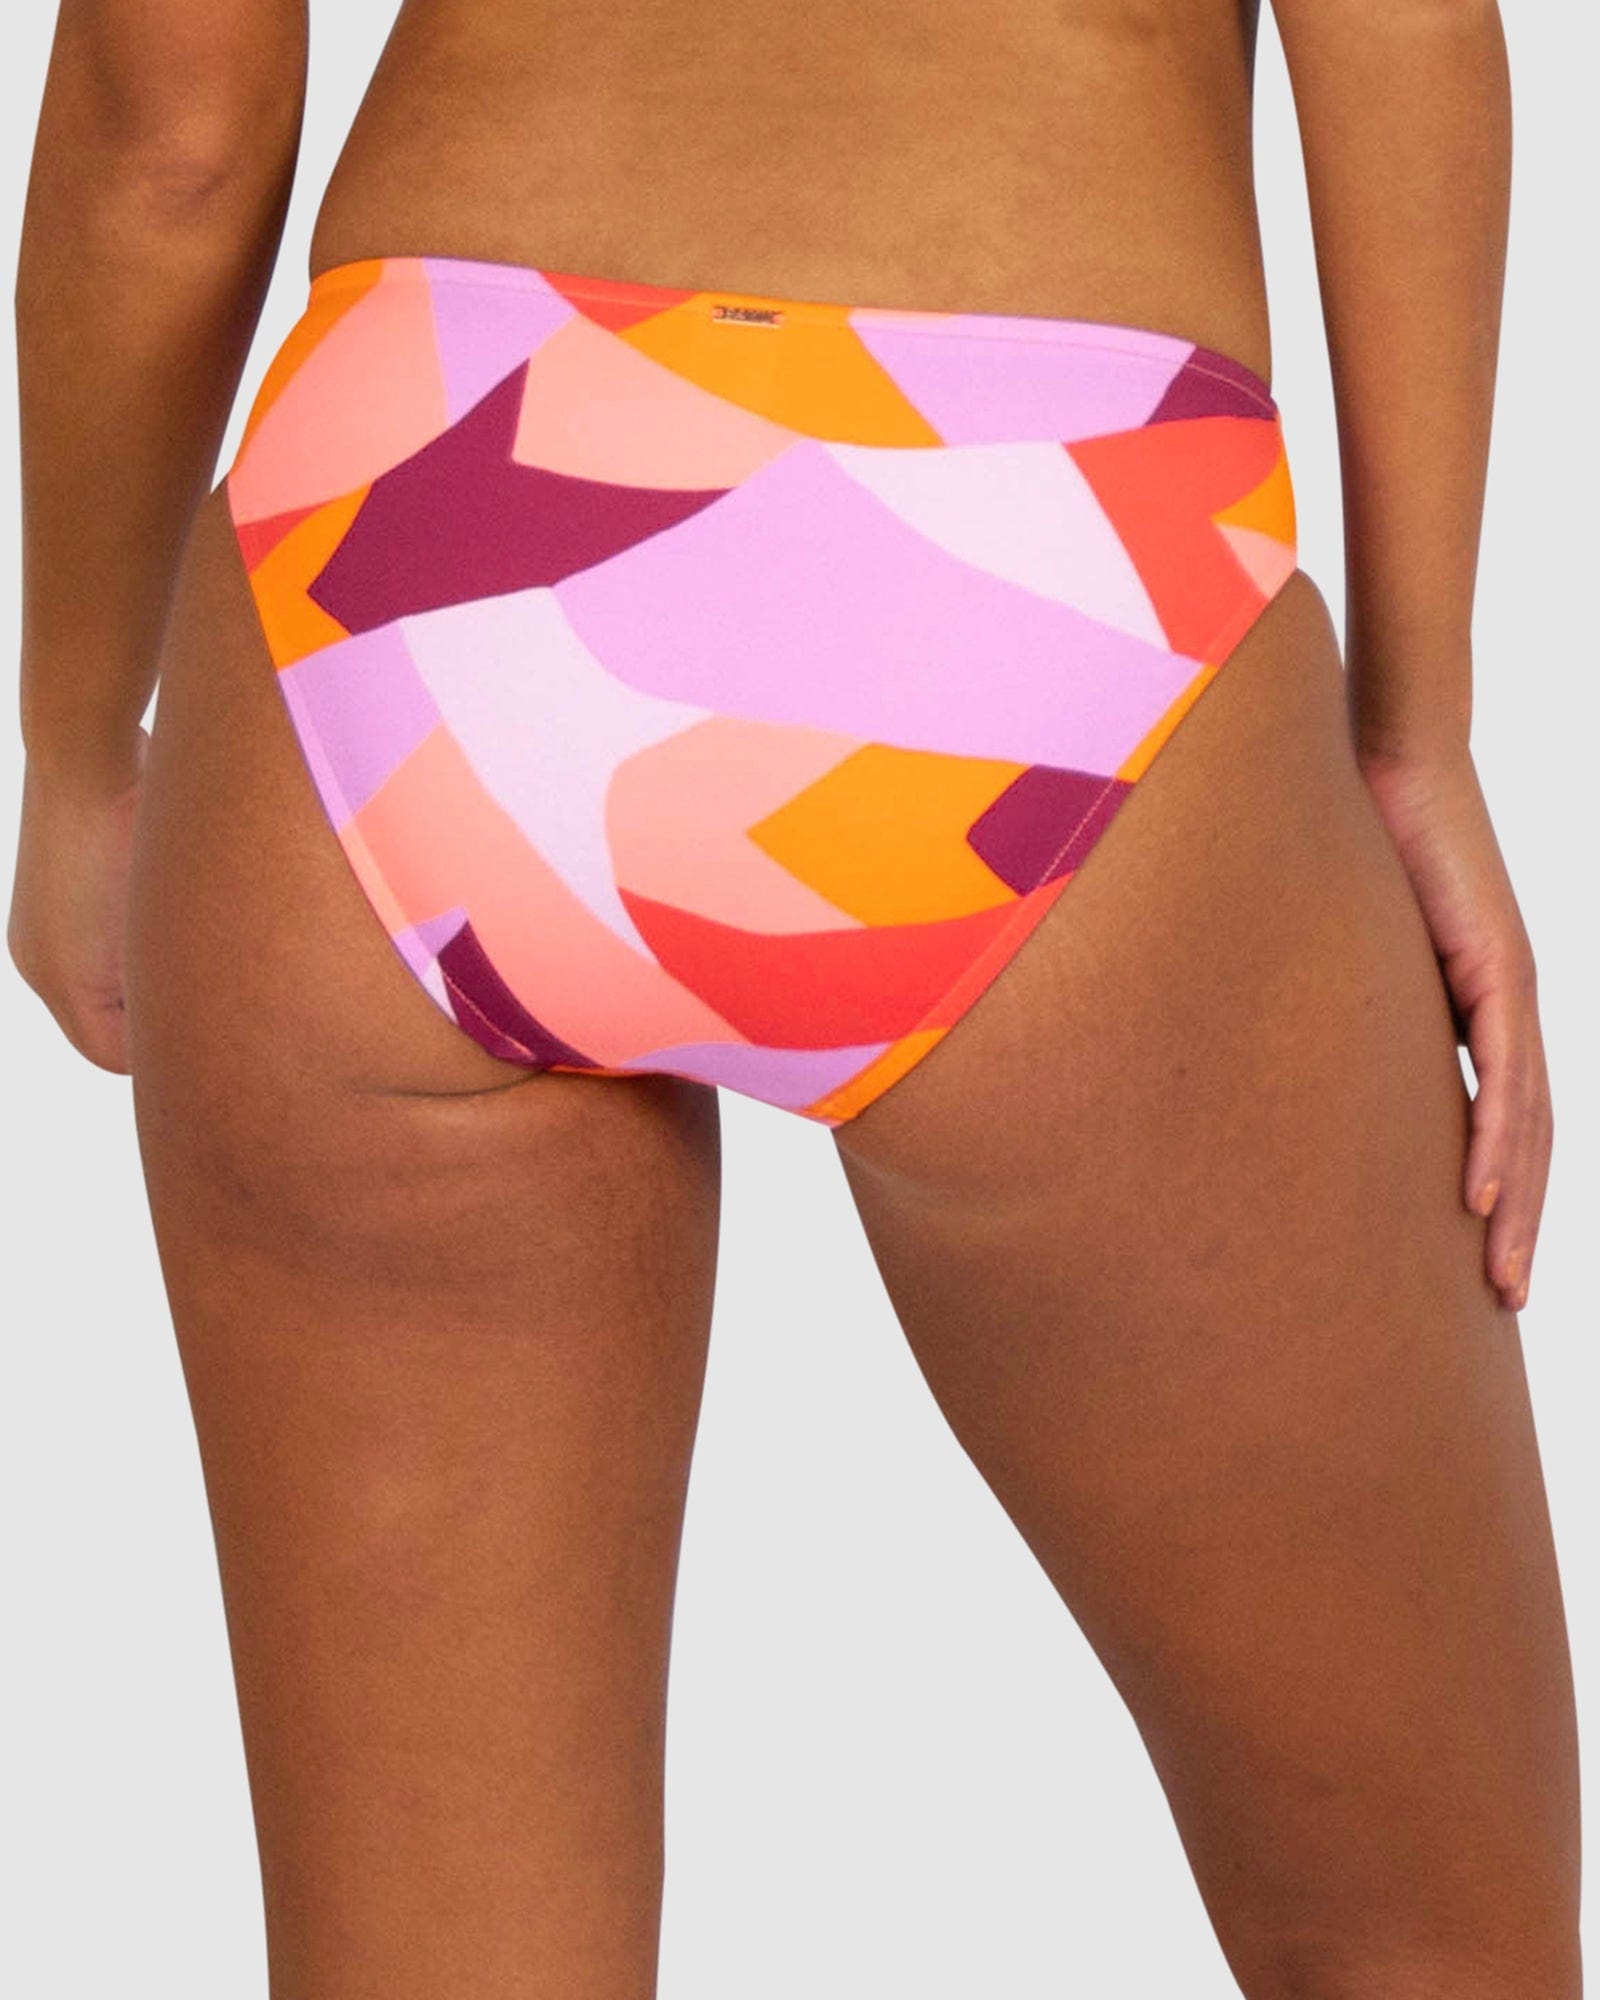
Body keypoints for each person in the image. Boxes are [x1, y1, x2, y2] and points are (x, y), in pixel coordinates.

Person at [8, 0, 1576, 1993]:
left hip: (418, 521)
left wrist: (78, 747)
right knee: (1421, 1947)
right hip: (1032, 521)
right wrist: (1415, 728)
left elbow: (170, 127)